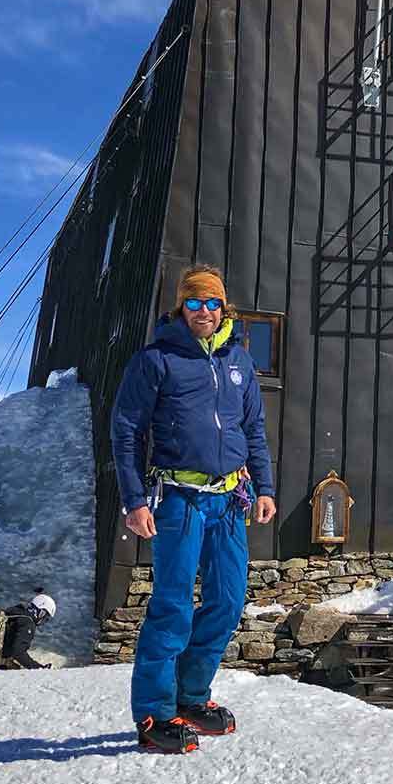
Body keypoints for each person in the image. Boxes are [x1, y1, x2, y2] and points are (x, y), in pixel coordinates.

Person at [111, 264, 277, 754]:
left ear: (224, 308)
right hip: (178, 499)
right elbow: (126, 431)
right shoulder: (156, 360)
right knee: (173, 606)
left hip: (228, 501)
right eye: (194, 302)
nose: (203, 312)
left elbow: (254, 431)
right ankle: (154, 714)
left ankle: (192, 696)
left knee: (227, 601)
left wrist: (264, 487)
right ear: (180, 306)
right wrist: (133, 499)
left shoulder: (240, 362)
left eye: (212, 303)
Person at [0, 592, 57, 670]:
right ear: (41, 612)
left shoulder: (15, 611)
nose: (44, 621)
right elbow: (17, 653)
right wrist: (39, 668)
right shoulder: (28, 623)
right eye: (45, 617)